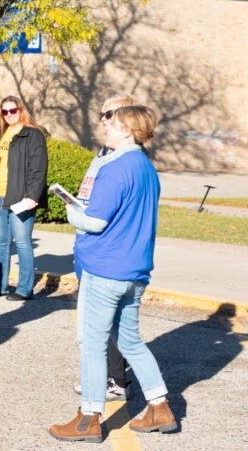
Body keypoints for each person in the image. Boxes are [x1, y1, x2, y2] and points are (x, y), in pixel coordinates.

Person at [49, 105, 177, 443]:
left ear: (129, 130)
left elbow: (94, 221)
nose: (107, 128)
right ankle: (159, 405)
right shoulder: (146, 168)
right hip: (134, 269)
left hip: (104, 267)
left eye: (114, 124)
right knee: (130, 341)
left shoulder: (117, 167)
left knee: (91, 342)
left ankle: (89, 417)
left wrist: (70, 210)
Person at [72, 94, 140, 403]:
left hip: (106, 253)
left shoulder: (128, 159)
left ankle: (113, 383)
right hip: (86, 245)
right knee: (94, 324)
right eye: (101, 114)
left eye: (108, 114)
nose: (102, 120)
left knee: (103, 327)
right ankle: (102, 379)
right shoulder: (104, 153)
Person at [0, 96, 48, 301]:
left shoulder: (33, 135)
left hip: (20, 196)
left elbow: (38, 169)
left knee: (22, 243)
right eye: (5, 112)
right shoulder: (0, 134)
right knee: (2, 242)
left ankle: (24, 289)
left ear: (21, 110)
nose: (9, 115)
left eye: (12, 110)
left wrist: (32, 196)